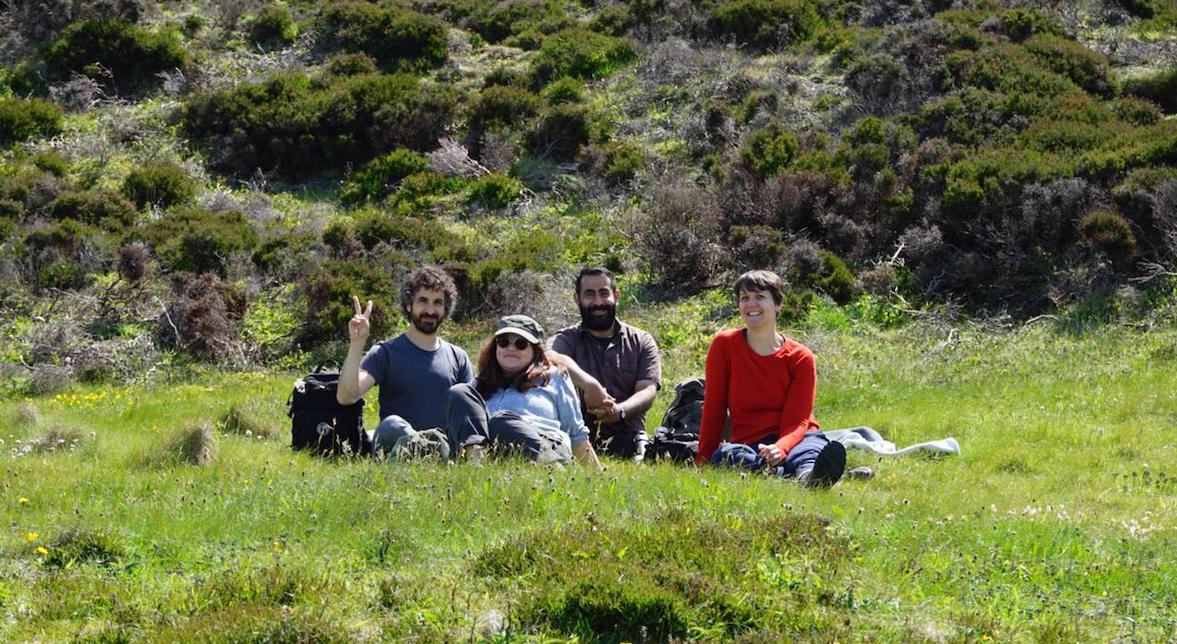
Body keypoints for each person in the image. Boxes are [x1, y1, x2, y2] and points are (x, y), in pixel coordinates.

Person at [695, 270, 846, 487]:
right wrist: (704, 460)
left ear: (777, 305)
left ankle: (808, 476)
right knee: (726, 457)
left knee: (808, 452)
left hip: (796, 438)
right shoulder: (724, 345)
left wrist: (781, 447)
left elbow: (798, 420)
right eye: (744, 298)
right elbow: (714, 408)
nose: (751, 304)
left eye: (760, 297)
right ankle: (788, 477)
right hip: (749, 444)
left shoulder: (800, 357)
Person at [337, 265, 474, 457]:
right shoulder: (385, 353)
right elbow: (347, 396)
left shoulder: (458, 357)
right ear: (409, 305)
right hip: (397, 448)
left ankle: (433, 453)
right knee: (391, 425)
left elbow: (471, 414)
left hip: (444, 449)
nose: (430, 310)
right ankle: (420, 451)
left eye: (437, 303)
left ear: (445, 309)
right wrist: (357, 344)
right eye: (423, 301)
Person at [447, 315, 603, 470]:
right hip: (494, 450)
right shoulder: (478, 384)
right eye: (504, 342)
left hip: (544, 447)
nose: (510, 348)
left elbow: (576, 433)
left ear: (535, 350)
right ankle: (476, 466)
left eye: (520, 344)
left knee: (500, 423)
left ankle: (554, 467)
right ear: (495, 347)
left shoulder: (554, 377)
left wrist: (597, 476)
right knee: (459, 391)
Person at [550, 267, 661, 460]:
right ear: (577, 298)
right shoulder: (566, 339)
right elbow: (550, 356)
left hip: (630, 438)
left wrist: (620, 412)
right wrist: (589, 385)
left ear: (616, 295)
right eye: (589, 294)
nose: (598, 302)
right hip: (576, 440)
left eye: (604, 293)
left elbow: (648, 390)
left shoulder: (641, 340)